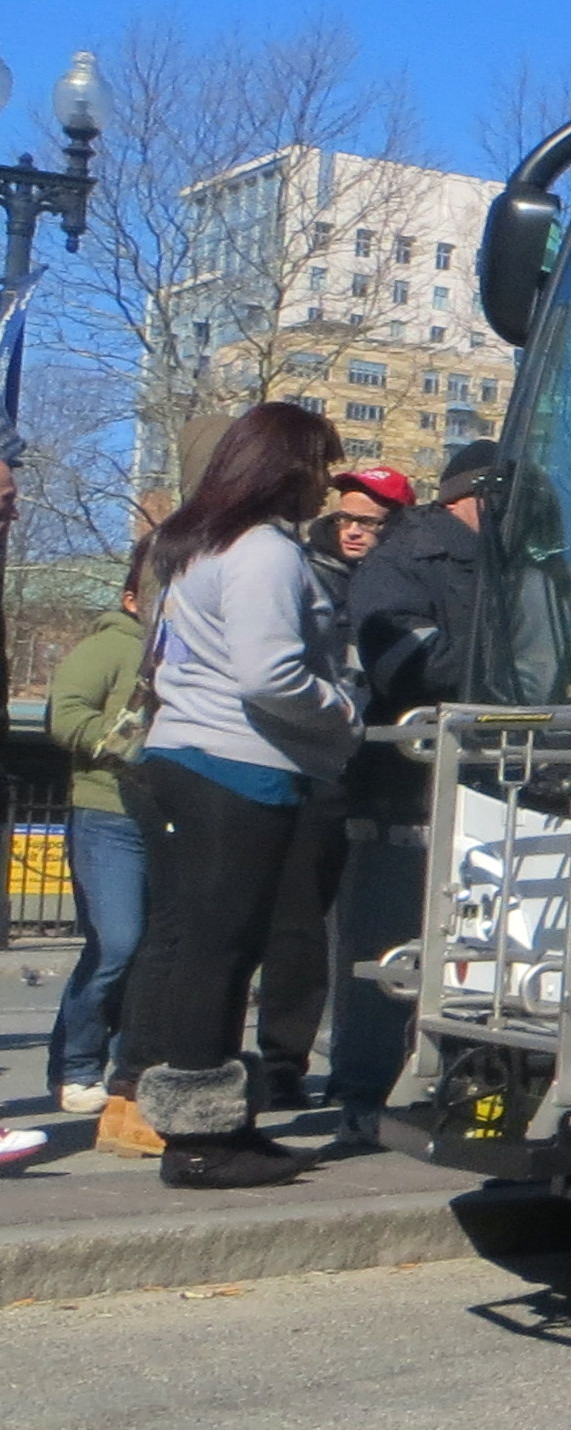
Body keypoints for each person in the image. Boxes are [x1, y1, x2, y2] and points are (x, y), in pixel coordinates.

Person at [126, 402, 364, 1189]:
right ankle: (200, 1142)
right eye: (320, 465)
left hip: (194, 757)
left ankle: (219, 1123)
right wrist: (342, 712)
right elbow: (269, 674)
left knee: (213, 946)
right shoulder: (264, 553)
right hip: (236, 764)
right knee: (219, 948)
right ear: (284, 468)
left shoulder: (198, 547)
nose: (327, 485)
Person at [334, 440, 499, 1133]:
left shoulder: (513, 567)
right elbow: (406, 667)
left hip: (486, 789)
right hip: (407, 790)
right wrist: (507, 651)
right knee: (391, 949)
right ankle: (366, 1095)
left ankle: (451, 1086)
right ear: (477, 498)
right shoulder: (405, 558)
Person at [248, 464, 414, 1108]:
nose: (353, 531)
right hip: (316, 766)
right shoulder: (300, 572)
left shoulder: (401, 581)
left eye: (370, 522)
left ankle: (364, 1056)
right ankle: (282, 1060)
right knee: (296, 922)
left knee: (375, 927)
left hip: (387, 770)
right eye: (345, 517)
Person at [43, 544, 154, 1122]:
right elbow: (64, 715)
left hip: (169, 817)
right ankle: (76, 1066)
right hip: (107, 814)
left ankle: (121, 1068)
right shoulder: (109, 646)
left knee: (150, 953)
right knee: (117, 944)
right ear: (130, 598)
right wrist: (125, 747)